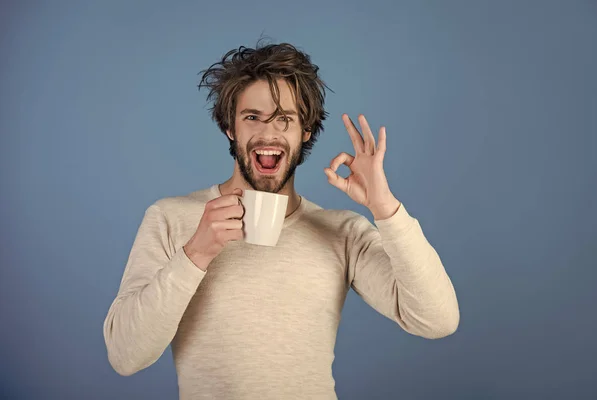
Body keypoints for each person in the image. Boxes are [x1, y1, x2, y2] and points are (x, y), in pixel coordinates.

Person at [103, 41, 460, 400]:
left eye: (285, 119)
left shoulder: (342, 233)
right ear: (231, 127)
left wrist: (386, 208)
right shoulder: (171, 219)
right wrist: (194, 255)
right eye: (252, 117)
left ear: (306, 131)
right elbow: (124, 355)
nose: (268, 134)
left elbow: (437, 320)